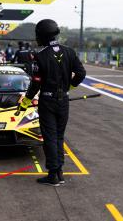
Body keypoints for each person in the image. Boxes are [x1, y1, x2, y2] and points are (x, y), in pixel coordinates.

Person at [16, 19, 86, 186]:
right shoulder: (69, 52)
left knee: (49, 137)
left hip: (47, 101)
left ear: (43, 36)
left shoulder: (40, 56)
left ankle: (53, 174)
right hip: (64, 101)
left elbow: (36, 83)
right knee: (59, 137)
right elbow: (81, 73)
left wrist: (25, 102)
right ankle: (59, 173)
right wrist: (69, 86)